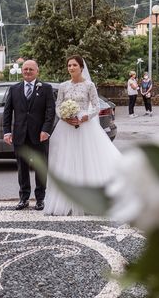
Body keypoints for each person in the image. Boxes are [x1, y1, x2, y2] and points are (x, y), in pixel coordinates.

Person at [44, 55, 121, 216]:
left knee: (86, 159)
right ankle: (66, 200)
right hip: (66, 126)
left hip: (85, 125)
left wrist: (87, 116)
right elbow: (58, 105)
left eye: (74, 65)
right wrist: (64, 116)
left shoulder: (89, 85)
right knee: (66, 161)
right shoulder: (63, 86)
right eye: (69, 65)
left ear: (81, 67)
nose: (71, 68)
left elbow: (96, 105)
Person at [3, 59, 56, 211]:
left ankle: (40, 199)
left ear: (37, 71)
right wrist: (7, 131)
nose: (27, 72)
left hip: (40, 135)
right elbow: (7, 112)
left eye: (31, 69)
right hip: (20, 135)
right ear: (22, 71)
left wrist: (46, 130)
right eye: (25, 69)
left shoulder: (45, 88)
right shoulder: (14, 89)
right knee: (22, 168)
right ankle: (23, 198)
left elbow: (50, 111)